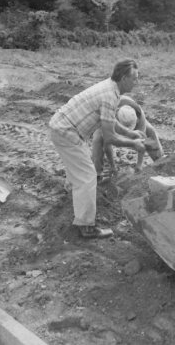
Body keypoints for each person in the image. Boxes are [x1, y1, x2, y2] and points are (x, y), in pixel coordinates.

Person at [49, 59, 146, 239]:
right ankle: (86, 226)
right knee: (87, 175)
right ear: (124, 78)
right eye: (134, 78)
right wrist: (133, 144)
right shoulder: (110, 95)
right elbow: (109, 137)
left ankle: (71, 191)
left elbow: (110, 120)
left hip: (64, 127)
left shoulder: (111, 89)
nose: (137, 82)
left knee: (80, 164)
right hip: (66, 131)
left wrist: (130, 134)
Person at [92, 95, 164, 177]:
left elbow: (142, 142)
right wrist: (112, 166)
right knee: (97, 139)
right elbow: (107, 143)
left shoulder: (139, 114)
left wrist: (139, 164)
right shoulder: (109, 113)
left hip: (128, 114)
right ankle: (97, 173)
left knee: (150, 130)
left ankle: (161, 161)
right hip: (106, 117)